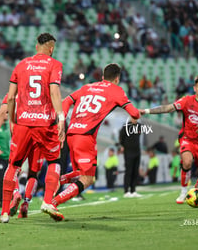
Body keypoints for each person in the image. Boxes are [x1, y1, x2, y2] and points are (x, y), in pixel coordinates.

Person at [51, 63, 140, 215]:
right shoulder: (116, 90)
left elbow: (66, 101)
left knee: (80, 173)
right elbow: (135, 114)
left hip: (71, 134)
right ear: (117, 79)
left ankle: (55, 182)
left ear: (103, 77)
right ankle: (53, 202)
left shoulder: (87, 87)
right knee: (87, 179)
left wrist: (61, 120)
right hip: (85, 137)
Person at [0, 33, 65, 223]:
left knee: (14, 165)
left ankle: (4, 213)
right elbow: (54, 91)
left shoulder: (20, 65)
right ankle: (47, 201)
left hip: (22, 123)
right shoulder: (55, 65)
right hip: (45, 123)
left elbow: (10, 98)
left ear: (37, 47)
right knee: (54, 162)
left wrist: (12, 120)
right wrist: (60, 117)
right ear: (51, 49)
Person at [139, 75, 198, 204]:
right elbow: (167, 108)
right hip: (187, 138)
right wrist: (146, 111)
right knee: (187, 162)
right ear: (194, 88)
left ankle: (195, 191)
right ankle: (183, 191)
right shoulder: (187, 100)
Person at [119, 120, 143, 197]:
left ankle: (133, 191)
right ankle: (126, 191)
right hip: (128, 151)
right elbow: (121, 137)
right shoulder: (125, 126)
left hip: (137, 151)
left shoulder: (139, 126)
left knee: (135, 171)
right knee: (128, 171)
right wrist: (122, 146)